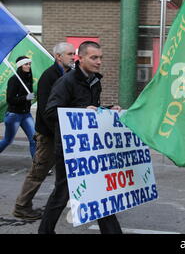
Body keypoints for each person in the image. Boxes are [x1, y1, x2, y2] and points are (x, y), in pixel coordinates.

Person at [38, 41, 122, 234]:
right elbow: (50, 111)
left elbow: (91, 110)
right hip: (70, 149)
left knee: (99, 192)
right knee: (62, 194)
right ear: (80, 58)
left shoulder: (94, 81)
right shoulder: (66, 81)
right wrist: (81, 111)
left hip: (89, 148)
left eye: (100, 57)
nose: (99, 61)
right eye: (94, 57)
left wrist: (108, 110)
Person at [13, 43, 75, 220]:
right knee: (39, 171)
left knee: (70, 173)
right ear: (58, 56)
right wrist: (56, 133)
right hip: (49, 134)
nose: (73, 57)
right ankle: (21, 206)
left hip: (64, 133)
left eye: (74, 53)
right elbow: (46, 110)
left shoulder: (70, 74)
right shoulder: (49, 77)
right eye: (69, 54)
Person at [0, 56, 36, 157]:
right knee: (8, 140)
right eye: (26, 64)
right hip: (14, 115)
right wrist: (25, 98)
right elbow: (10, 99)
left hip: (26, 114)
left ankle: (38, 166)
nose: (29, 66)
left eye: (29, 64)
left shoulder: (28, 79)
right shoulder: (14, 80)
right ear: (20, 66)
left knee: (34, 139)